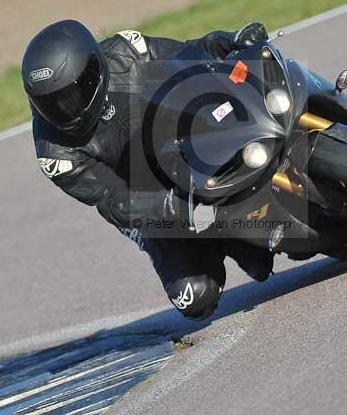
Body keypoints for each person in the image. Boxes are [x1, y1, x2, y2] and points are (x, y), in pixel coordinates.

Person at [22, 19, 275, 320]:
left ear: (93, 71)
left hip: (188, 148)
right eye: (51, 103)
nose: (65, 110)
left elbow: (185, 53)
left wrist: (227, 40)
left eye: (71, 95)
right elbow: (115, 201)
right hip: (147, 202)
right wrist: (167, 205)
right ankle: (226, 241)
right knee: (195, 297)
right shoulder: (55, 153)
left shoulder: (128, 52)